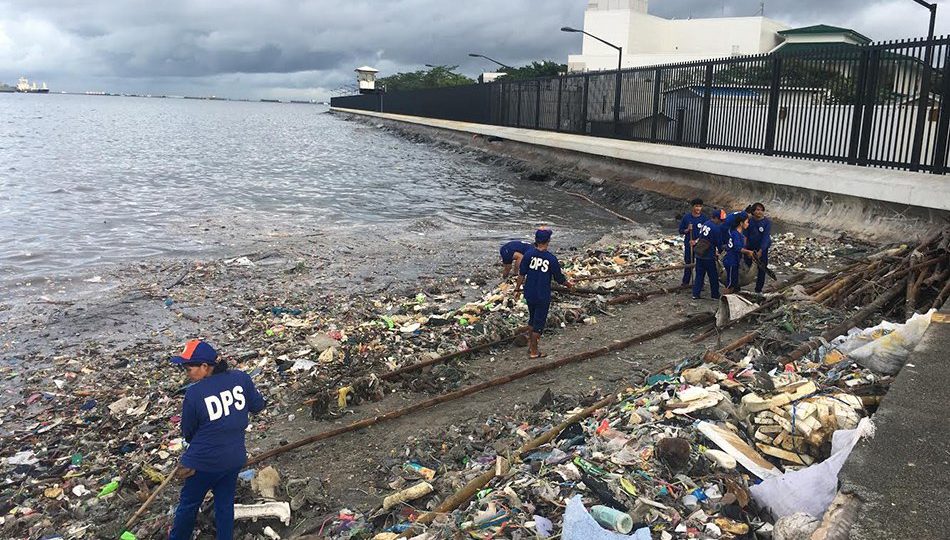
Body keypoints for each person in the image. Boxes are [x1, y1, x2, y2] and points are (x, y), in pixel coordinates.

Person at [169, 339, 266, 540]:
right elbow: (257, 405)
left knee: (188, 505)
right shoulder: (241, 378)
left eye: (188, 367)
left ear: (205, 367)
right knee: (225, 504)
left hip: (202, 462)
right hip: (234, 457)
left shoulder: (194, 394)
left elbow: (188, 432)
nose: (186, 373)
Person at [514, 228, 573, 359]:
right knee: (538, 325)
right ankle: (534, 351)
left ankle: (530, 346)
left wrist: (517, 289)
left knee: (532, 319)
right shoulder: (551, 259)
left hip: (529, 293)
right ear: (548, 241)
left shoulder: (529, 255)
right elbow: (559, 278)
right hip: (542, 295)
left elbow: (521, 273)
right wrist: (569, 285)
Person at [692, 210, 723, 300]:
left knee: (699, 275)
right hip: (708, 255)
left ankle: (696, 294)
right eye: (720, 220)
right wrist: (720, 251)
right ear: (716, 218)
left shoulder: (706, 223)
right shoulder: (716, 228)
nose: (721, 222)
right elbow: (719, 243)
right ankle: (715, 294)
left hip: (699, 253)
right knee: (713, 276)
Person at [722, 211, 755, 294]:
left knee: (734, 282)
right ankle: (724, 298)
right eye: (747, 222)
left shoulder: (737, 233)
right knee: (730, 283)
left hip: (735, 260)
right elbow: (737, 248)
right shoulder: (736, 234)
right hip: (731, 261)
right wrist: (748, 252)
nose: (748, 224)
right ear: (741, 223)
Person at [678, 198, 708, 286]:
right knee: (688, 262)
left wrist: (696, 241)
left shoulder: (704, 218)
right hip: (689, 243)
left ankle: (699, 283)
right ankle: (685, 282)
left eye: (700, 206)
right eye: (696, 206)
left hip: (700, 244)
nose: (698, 208)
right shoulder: (686, 217)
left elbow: (705, 233)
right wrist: (687, 229)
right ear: (693, 207)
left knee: (700, 264)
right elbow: (680, 230)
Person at [745, 202, 773, 293]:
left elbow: (766, 238)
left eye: (761, 210)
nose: (759, 212)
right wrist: (746, 250)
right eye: (757, 210)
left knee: (762, 269)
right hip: (750, 248)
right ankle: (739, 284)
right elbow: (745, 235)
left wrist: (761, 250)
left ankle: (758, 289)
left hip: (762, 249)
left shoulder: (766, 222)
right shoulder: (749, 221)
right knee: (746, 266)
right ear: (753, 211)